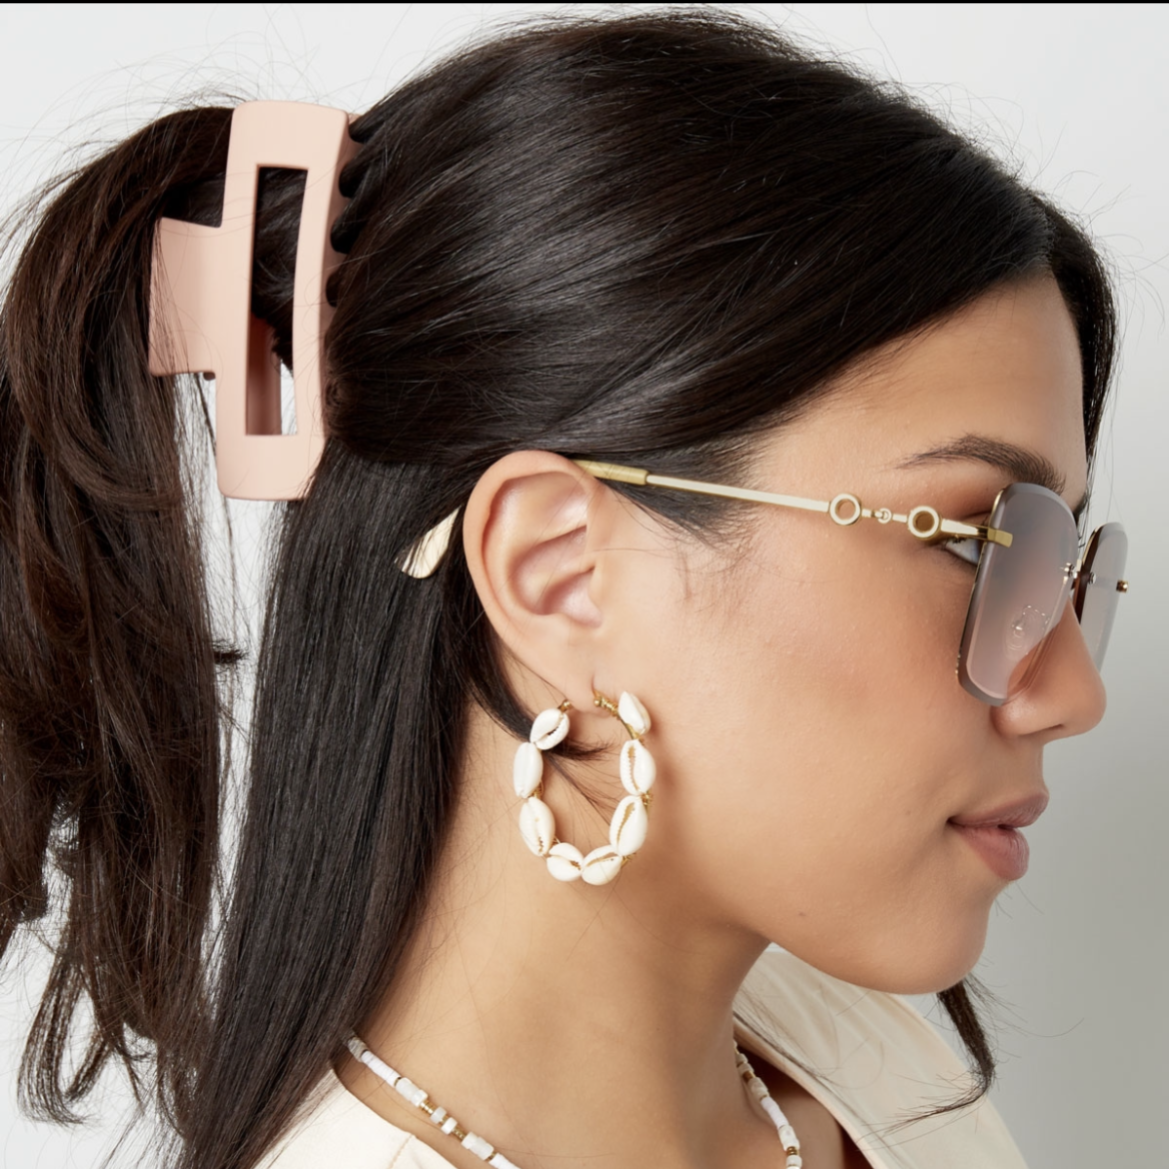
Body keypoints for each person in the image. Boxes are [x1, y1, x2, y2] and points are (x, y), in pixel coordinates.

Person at [0, 10, 1128, 1169]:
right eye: (978, 542)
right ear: (560, 572)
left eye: (1063, 564)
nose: (1075, 693)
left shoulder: (877, 1073)